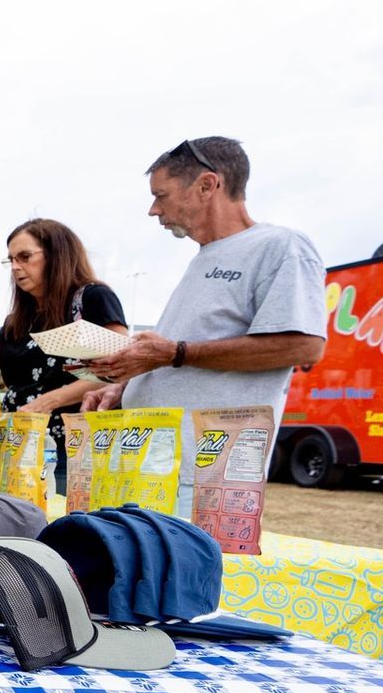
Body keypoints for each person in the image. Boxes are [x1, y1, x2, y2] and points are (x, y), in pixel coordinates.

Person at [84, 137, 326, 505]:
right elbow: (183, 356)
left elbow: (304, 345)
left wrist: (175, 353)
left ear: (207, 185)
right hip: (156, 470)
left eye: (161, 195)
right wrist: (126, 389)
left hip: (203, 476)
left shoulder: (280, 246)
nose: (153, 209)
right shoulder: (204, 258)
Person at [0, 218, 128, 490]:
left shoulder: (92, 298)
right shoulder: (18, 319)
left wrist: (48, 402)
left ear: (57, 255)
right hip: (19, 444)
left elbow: (121, 365)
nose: (16, 267)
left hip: (74, 448)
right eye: (11, 260)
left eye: (25, 256)